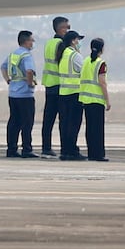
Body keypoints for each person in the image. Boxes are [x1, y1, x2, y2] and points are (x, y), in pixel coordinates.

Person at [1, 30, 37, 158]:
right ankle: (27, 149)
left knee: (14, 122)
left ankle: (11, 149)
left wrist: (7, 80)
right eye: (32, 40)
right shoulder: (26, 55)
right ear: (26, 41)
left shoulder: (13, 54)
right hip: (25, 95)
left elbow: (3, 67)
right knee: (27, 122)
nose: (33, 42)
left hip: (13, 93)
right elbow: (29, 71)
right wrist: (30, 83)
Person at [40, 15, 71, 156]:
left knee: (48, 119)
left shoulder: (49, 43)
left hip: (49, 84)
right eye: (67, 27)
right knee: (63, 119)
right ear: (61, 29)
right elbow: (63, 64)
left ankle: (46, 147)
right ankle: (65, 147)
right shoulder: (61, 45)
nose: (69, 30)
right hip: (59, 85)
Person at [80, 37, 111, 162]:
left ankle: (91, 153)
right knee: (98, 129)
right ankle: (98, 154)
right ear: (101, 49)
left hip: (86, 99)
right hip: (97, 100)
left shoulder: (86, 61)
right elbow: (102, 83)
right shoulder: (101, 63)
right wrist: (107, 100)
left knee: (90, 128)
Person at [57, 30, 86, 160]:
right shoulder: (74, 55)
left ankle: (65, 150)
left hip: (63, 93)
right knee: (74, 124)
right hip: (75, 94)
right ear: (73, 40)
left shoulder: (63, 54)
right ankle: (72, 151)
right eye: (78, 40)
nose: (79, 43)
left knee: (64, 124)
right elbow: (85, 71)